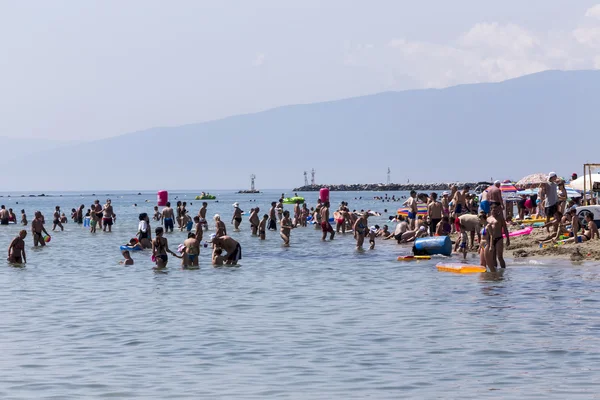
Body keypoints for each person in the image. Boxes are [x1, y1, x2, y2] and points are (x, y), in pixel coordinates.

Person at [486, 203, 510, 269]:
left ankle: (503, 271)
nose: (495, 212)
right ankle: (495, 272)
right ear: (491, 210)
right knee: (493, 257)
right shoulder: (488, 219)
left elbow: (505, 229)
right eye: (494, 210)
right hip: (491, 239)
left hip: (499, 238)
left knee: (500, 257)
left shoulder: (500, 218)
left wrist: (508, 239)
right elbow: (486, 230)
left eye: (496, 210)